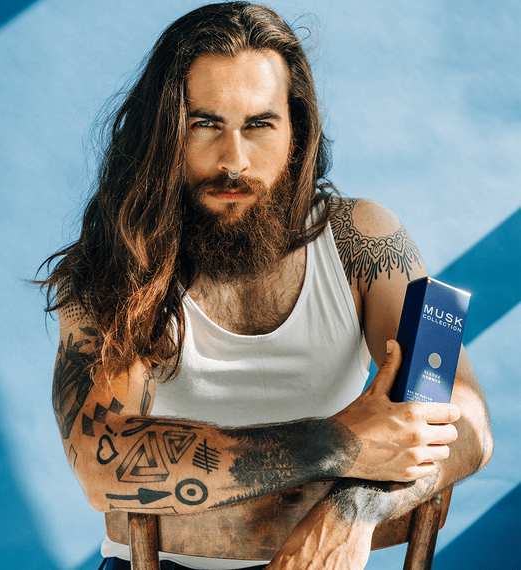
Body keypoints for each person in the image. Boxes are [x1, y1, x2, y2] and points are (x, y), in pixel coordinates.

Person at [38, 3, 493, 569]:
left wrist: (352, 508)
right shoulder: (121, 258)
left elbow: (466, 418)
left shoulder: (360, 241)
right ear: (164, 133)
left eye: (259, 125)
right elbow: (99, 460)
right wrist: (342, 443)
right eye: (204, 124)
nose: (234, 159)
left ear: (296, 133)